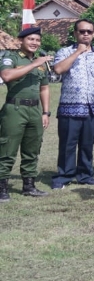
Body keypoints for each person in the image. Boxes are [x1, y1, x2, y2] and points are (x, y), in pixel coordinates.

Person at [51, 18, 94, 189]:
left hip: (92, 108)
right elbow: (58, 69)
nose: (86, 34)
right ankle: (64, 176)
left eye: (89, 31)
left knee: (87, 145)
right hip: (70, 108)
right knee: (67, 145)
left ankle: (85, 175)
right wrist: (77, 52)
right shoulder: (65, 51)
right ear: (75, 33)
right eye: (82, 31)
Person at [0, 26, 52, 201]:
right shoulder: (11, 57)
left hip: (35, 110)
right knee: (7, 149)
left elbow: (44, 88)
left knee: (32, 149)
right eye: (31, 39)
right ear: (20, 41)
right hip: (15, 109)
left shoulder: (40, 62)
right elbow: (6, 75)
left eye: (37, 40)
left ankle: (29, 185)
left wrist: (46, 112)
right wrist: (34, 64)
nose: (34, 43)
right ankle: (2, 187)